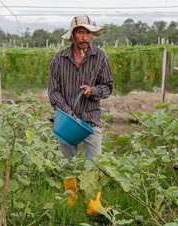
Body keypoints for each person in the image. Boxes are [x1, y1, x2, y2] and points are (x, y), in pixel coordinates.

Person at [48, 15, 113, 214]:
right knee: (68, 162)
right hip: (67, 122)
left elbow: (108, 87)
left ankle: (92, 205)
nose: (85, 37)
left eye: (88, 33)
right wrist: (68, 112)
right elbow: (53, 91)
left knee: (93, 163)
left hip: (91, 118)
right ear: (73, 35)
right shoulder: (59, 59)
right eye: (81, 32)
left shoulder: (100, 57)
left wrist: (93, 91)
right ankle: (71, 201)